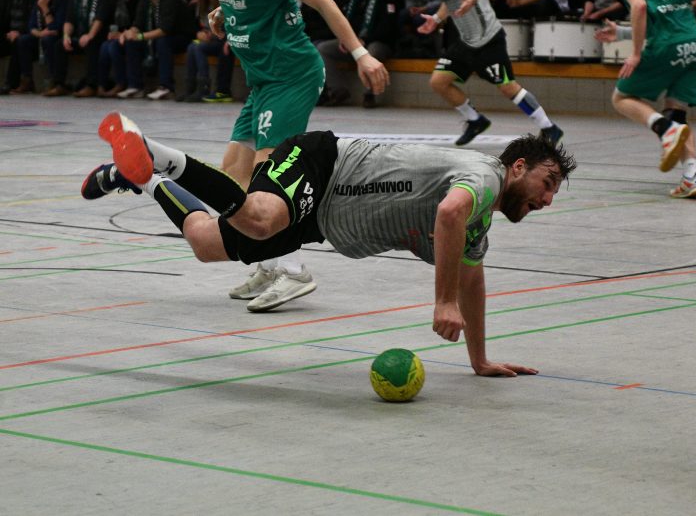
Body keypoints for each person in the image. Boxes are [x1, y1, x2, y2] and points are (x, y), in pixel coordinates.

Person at [83, 112, 575, 368]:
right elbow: (448, 213)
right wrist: (442, 302)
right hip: (326, 164)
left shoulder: (480, 221)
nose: (548, 199)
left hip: (319, 220)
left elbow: (473, 282)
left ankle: (140, 176)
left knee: (205, 243)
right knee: (260, 219)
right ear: (517, 167)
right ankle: (151, 150)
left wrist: (480, 360)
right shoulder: (485, 177)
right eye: (548, 183)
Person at [204, 0, 388, 313]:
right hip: (262, 79)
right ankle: (268, 262)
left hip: (292, 74)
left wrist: (361, 54)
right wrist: (223, 15)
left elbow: (322, 1)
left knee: (268, 176)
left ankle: (293, 269)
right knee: (234, 174)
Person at [417, 0, 563, 147]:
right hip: (466, 41)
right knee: (439, 81)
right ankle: (476, 120)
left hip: (488, 39)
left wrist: (471, 0)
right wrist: (436, 19)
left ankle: (549, 128)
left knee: (508, 87)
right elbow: (449, 1)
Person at [595, 0, 696, 198]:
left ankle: (664, 130)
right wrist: (622, 33)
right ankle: (692, 176)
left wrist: (634, 54)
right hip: (694, 42)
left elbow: (640, 6)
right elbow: (665, 14)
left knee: (621, 98)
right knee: (677, 113)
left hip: (668, 44)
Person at [123, 0, 194, 100]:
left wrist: (140, 36)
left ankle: (166, 87)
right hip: (158, 38)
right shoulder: (145, 0)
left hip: (182, 37)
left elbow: (164, 30)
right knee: (131, 42)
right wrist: (129, 33)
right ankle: (136, 86)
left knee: (163, 41)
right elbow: (138, 24)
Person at [60, 0, 111, 97]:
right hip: (80, 34)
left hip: (99, 34)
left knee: (92, 43)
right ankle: (59, 84)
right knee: (59, 44)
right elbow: (69, 20)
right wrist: (66, 36)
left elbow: (100, 18)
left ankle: (91, 85)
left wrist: (90, 35)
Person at [181, 0, 234, 103]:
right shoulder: (197, 5)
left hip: (223, 41)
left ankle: (203, 87)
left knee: (196, 47)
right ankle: (190, 89)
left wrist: (217, 34)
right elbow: (190, 27)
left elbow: (231, 25)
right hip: (210, 42)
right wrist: (198, 33)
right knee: (192, 46)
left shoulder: (225, 2)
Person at [0, 0, 37, 95]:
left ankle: (11, 83)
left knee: (19, 41)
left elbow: (34, 20)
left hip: (29, 35)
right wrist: (6, 34)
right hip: (9, 34)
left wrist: (19, 32)